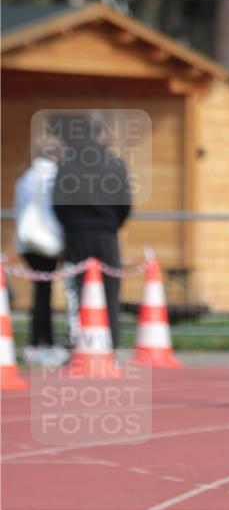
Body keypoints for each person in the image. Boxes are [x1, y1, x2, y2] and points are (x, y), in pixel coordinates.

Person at [53, 112, 132, 350]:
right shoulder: (115, 163)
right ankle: (110, 344)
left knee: (77, 290)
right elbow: (125, 202)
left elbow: (58, 202)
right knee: (109, 290)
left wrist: (70, 225)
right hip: (106, 234)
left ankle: (79, 343)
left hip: (76, 234)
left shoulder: (67, 163)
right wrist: (111, 224)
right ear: (103, 134)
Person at [14, 135, 68, 368]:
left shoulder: (25, 177)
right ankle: (44, 341)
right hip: (48, 242)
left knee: (40, 293)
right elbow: (54, 212)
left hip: (27, 243)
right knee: (46, 293)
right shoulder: (55, 177)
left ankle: (38, 341)